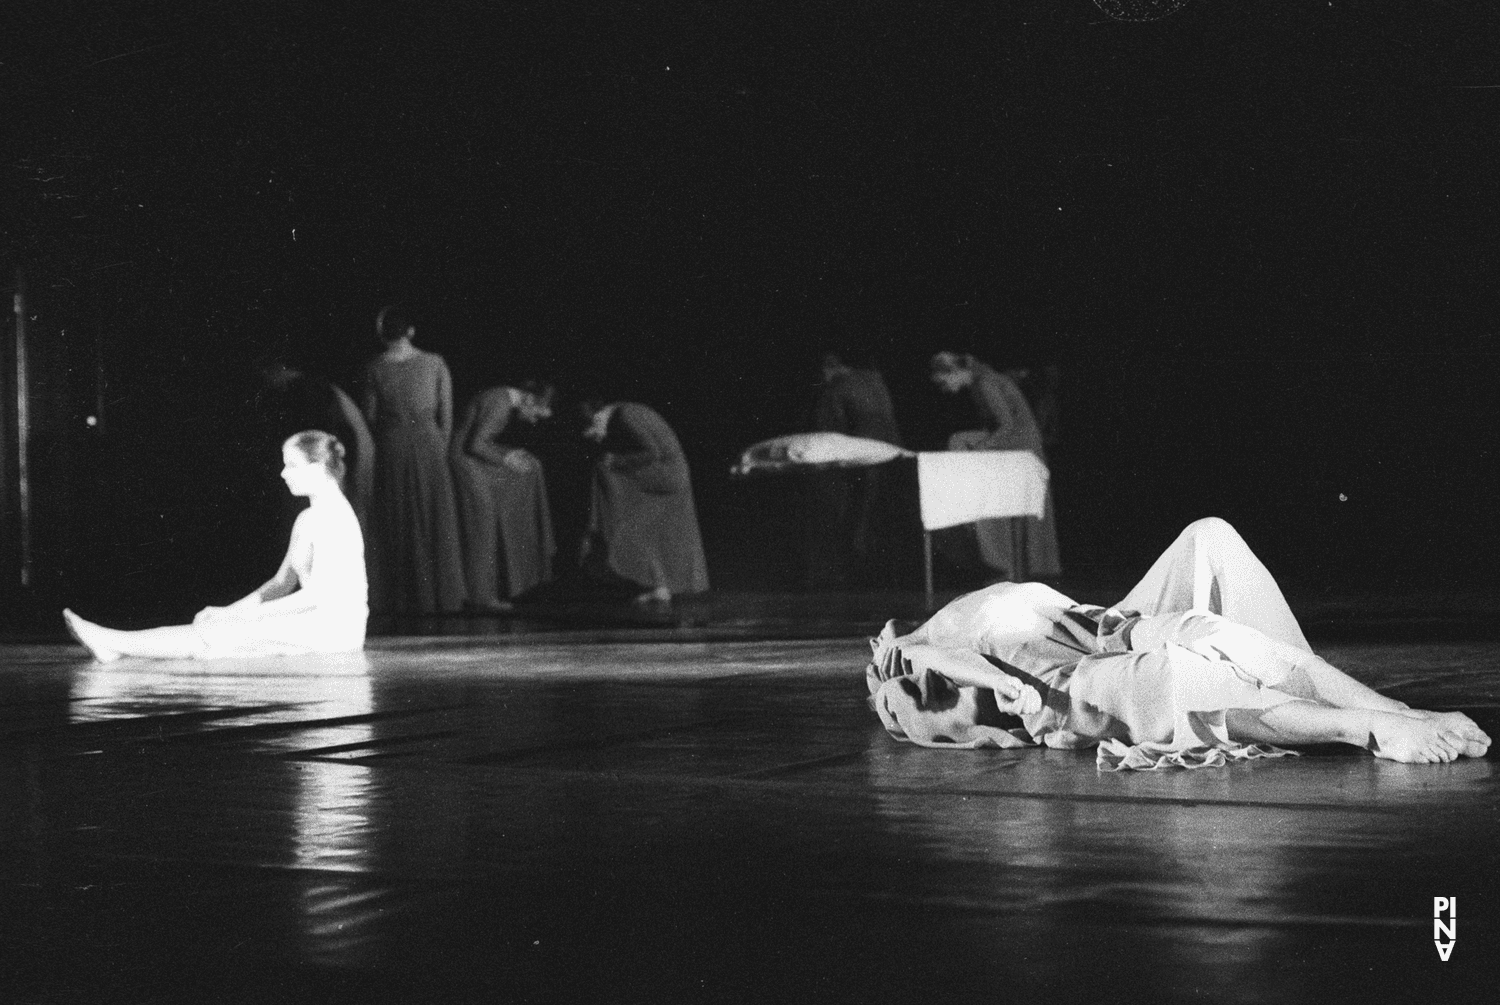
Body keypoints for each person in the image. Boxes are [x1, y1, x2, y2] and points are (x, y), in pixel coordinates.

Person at [866, 518, 1491, 769]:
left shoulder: (920, 638)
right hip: (1045, 678)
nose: (885, 644)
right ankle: (1366, 729)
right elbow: (935, 663)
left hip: (1098, 623)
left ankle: (1392, 711)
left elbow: (926, 656)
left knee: (1211, 549)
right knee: (1176, 678)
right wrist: (999, 683)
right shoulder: (918, 657)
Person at [63, 431, 368, 660]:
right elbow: (281, 582)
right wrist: (229, 610)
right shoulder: (307, 517)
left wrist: (239, 617)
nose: (283, 473)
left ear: (317, 468)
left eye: (292, 465)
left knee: (221, 633)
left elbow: (318, 595)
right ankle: (113, 644)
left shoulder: (336, 519)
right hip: (313, 619)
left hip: (334, 630)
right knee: (221, 626)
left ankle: (112, 643)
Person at [362, 305, 467, 614]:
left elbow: (369, 417)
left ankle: (404, 596)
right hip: (428, 442)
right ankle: (440, 596)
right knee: (434, 513)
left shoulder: (374, 367)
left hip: (392, 443)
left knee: (399, 515)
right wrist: (439, 446)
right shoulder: (434, 363)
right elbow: (446, 414)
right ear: (410, 331)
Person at [930, 350, 1061, 581]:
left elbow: (1008, 426)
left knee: (958, 441)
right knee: (960, 441)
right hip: (1015, 443)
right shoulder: (982, 382)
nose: (945, 390)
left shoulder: (986, 383)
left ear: (955, 372)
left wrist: (982, 449)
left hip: (1020, 446)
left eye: (944, 382)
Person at [581, 401, 709, 605]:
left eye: (591, 429)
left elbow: (652, 453)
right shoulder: (627, 411)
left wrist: (616, 461)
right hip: (674, 473)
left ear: (597, 417)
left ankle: (600, 539)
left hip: (666, 475)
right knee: (643, 529)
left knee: (622, 512)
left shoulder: (626, 416)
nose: (594, 436)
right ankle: (660, 587)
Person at [450, 382, 558, 610]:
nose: (533, 420)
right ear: (529, 399)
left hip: (467, 462)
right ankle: (481, 596)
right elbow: (476, 444)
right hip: (465, 465)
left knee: (484, 526)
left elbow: (481, 440)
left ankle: (482, 593)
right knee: (483, 528)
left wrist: (506, 452)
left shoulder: (499, 398)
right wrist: (506, 459)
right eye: (536, 414)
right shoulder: (500, 402)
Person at [805, 352, 905, 588]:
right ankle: (886, 573)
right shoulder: (875, 379)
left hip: (863, 457)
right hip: (892, 452)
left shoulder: (837, 387)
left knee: (857, 513)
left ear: (829, 369)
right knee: (883, 512)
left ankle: (854, 572)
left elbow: (830, 427)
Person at [257, 358, 376, 528]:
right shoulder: (307, 386)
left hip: (348, 453)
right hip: (348, 451)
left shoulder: (305, 389)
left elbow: (324, 438)